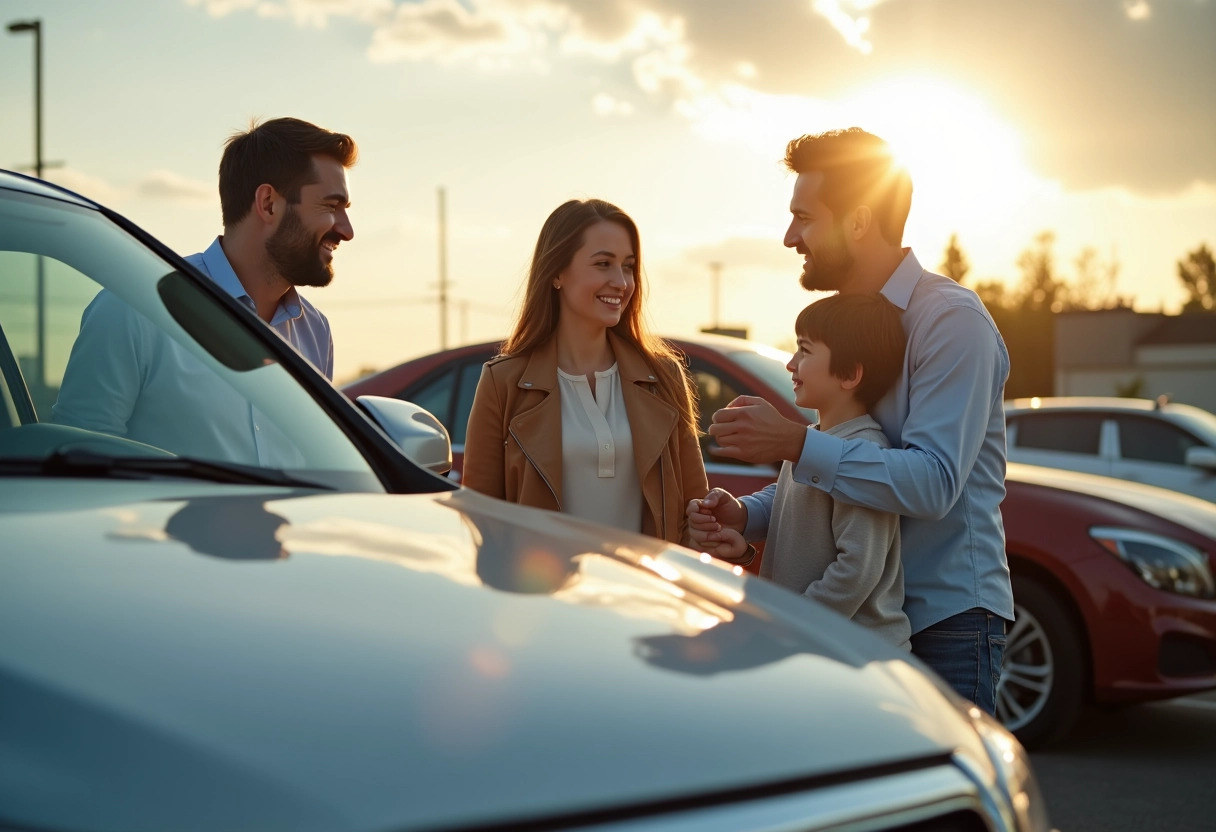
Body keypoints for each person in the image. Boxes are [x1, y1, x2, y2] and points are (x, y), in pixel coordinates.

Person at [701, 128, 1014, 713]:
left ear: (859, 222)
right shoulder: (845, 326)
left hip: (942, 624)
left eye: (804, 218)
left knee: (928, 805)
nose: (790, 237)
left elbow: (932, 484)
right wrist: (749, 515)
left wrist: (794, 441)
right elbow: (840, 468)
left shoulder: (951, 321)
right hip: (858, 627)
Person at [52, 117, 357, 463]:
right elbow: (77, 466)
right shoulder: (135, 307)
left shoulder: (316, 333)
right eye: (331, 207)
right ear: (269, 203)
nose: (347, 231)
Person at [462, 198, 708, 545]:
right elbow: (479, 520)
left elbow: (695, 514)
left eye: (628, 266)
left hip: (643, 594)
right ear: (557, 273)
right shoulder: (503, 382)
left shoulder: (664, 377)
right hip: (543, 595)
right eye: (603, 264)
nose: (621, 282)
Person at [689, 293, 911, 649]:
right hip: (813, 646)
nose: (791, 364)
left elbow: (857, 571)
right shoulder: (815, 439)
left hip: (854, 660)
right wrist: (742, 514)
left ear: (851, 373)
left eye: (805, 351)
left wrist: (788, 623)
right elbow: (791, 499)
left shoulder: (864, 454)